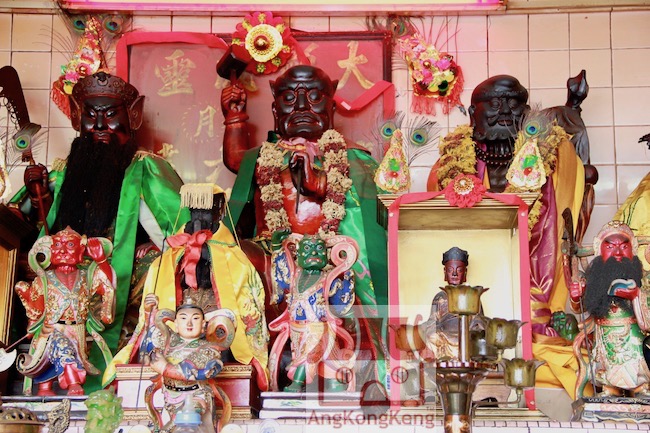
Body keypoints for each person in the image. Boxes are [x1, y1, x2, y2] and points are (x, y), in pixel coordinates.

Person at [9, 71, 190, 390]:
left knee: (158, 264)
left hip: (122, 273)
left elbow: (180, 227)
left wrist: (156, 249)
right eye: (91, 116)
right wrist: (39, 197)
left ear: (132, 116)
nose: (101, 126)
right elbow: (20, 226)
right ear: (77, 117)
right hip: (65, 274)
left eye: (111, 115)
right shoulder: (63, 173)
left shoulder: (145, 167)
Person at [221, 64, 388, 386]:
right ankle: (250, 366)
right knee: (230, 257)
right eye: (288, 98)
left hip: (331, 251)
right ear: (274, 108)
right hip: (273, 250)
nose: (300, 107)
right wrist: (234, 118)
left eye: (313, 97)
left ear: (331, 105)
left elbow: (367, 213)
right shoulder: (263, 156)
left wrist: (320, 183)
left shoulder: (353, 158)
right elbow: (235, 160)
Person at [103, 184, 268, 391]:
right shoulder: (175, 250)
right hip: (183, 307)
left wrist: (205, 253)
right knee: (165, 335)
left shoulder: (230, 253)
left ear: (217, 212)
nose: (200, 217)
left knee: (220, 338)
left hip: (215, 306)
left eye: (205, 211)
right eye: (195, 211)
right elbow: (164, 277)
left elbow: (239, 280)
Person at [14, 227, 116, 396]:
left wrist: (101, 260)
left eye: (69, 245)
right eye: (57, 245)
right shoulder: (43, 279)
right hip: (51, 328)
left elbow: (108, 286)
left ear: (81, 250)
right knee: (60, 349)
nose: (62, 250)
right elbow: (36, 307)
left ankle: (47, 388)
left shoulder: (87, 277)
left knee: (69, 353)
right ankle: (72, 383)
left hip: (77, 330)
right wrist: (32, 325)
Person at [569, 221, 650, 398]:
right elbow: (579, 307)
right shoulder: (594, 279)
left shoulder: (644, 279)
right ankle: (610, 387)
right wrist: (576, 296)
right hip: (604, 339)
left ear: (633, 249)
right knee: (606, 371)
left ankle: (641, 386)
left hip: (634, 338)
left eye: (624, 247)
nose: (618, 253)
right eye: (611, 247)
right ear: (600, 250)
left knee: (638, 369)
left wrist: (637, 296)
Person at [269, 231, 357, 392]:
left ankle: (297, 382)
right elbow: (281, 275)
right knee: (315, 356)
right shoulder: (294, 276)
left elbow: (339, 304)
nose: (314, 253)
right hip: (296, 328)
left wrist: (347, 280)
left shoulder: (328, 279)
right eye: (308, 248)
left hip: (318, 328)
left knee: (310, 353)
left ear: (326, 254)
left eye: (319, 249)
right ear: (298, 252)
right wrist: (276, 245)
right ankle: (334, 382)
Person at [144, 295, 236, 433]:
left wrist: (165, 368)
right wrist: (149, 311)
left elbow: (196, 371)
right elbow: (153, 334)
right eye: (183, 318)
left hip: (196, 396)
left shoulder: (208, 348)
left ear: (204, 324)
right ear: (176, 323)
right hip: (170, 396)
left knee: (185, 421)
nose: (189, 323)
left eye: (195, 318)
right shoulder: (169, 340)